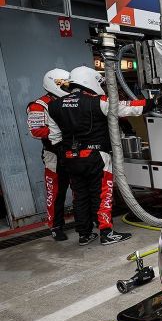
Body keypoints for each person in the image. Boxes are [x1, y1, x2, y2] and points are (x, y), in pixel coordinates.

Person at [48, 66, 152, 246]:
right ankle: (106, 232)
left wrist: (68, 155)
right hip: (96, 156)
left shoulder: (54, 105)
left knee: (79, 196)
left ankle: (84, 234)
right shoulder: (98, 101)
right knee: (103, 194)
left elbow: (54, 138)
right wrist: (152, 103)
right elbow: (126, 109)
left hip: (69, 158)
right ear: (89, 80)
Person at [27, 68, 71, 241]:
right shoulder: (39, 105)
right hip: (53, 154)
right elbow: (35, 131)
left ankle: (88, 220)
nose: (67, 87)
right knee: (56, 191)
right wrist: (63, 130)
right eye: (63, 84)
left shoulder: (70, 100)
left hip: (73, 151)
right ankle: (56, 226)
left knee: (80, 188)